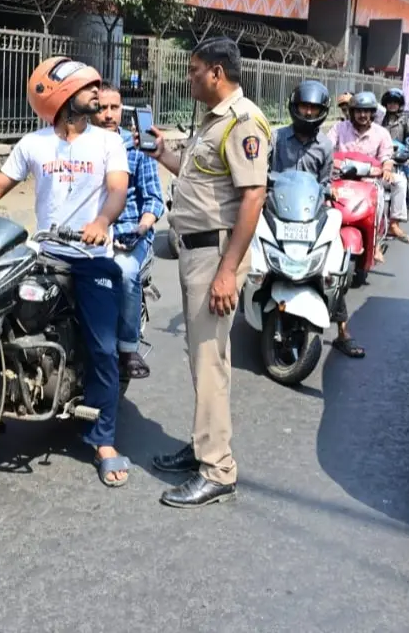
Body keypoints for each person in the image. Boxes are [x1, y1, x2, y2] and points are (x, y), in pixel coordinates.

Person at [0, 57, 132, 486]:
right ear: (61, 96)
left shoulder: (107, 142)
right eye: (88, 87)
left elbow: (117, 189)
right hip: (44, 252)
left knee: (102, 346)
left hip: (91, 256)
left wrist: (101, 223)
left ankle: (104, 439)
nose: (97, 92)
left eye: (97, 86)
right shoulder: (34, 144)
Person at [142, 36, 271, 508]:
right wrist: (162, 153)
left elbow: (253, 198)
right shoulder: (212, 121)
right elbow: (199, 181)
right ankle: (203, 446)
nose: (189, 77)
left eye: (195, 70)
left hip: (216, 258)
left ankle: (218, 469)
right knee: (200, 357)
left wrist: (226, 272)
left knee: (211, 362)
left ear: (217, 72)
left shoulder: (243, 122)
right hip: (195, 253)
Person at [270, 80, 365, 358]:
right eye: (304, 107)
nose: (308, 113)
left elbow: (325, 182)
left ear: (321, 111)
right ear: (294, 107)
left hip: (310, 213)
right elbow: (262, 167)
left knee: (333, 264)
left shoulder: (325, 145)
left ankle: (343, 332)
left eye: (313, 108)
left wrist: (331, 189)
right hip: (277, 209)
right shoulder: (276, 138)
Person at [90, 82, 164, 381]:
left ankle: (128, 347)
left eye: (114, 108)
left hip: (128, 233)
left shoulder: (137, 147)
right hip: (89, 234)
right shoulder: (82, 146)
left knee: (123, 272)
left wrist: (140, 229)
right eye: (101, 108)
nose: (108, 115)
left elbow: (154, 200)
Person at [328, 91, 409, 253]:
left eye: (366, 111)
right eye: (358, 111)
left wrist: (387, 169)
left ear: (372, 113)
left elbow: (386, 156)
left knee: (398, 183)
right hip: (340, 177)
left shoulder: (381, 133)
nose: (362, 115)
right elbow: (326, 147)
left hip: (370, 180)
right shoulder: (339, 128)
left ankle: (383, 235)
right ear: (351, 112)